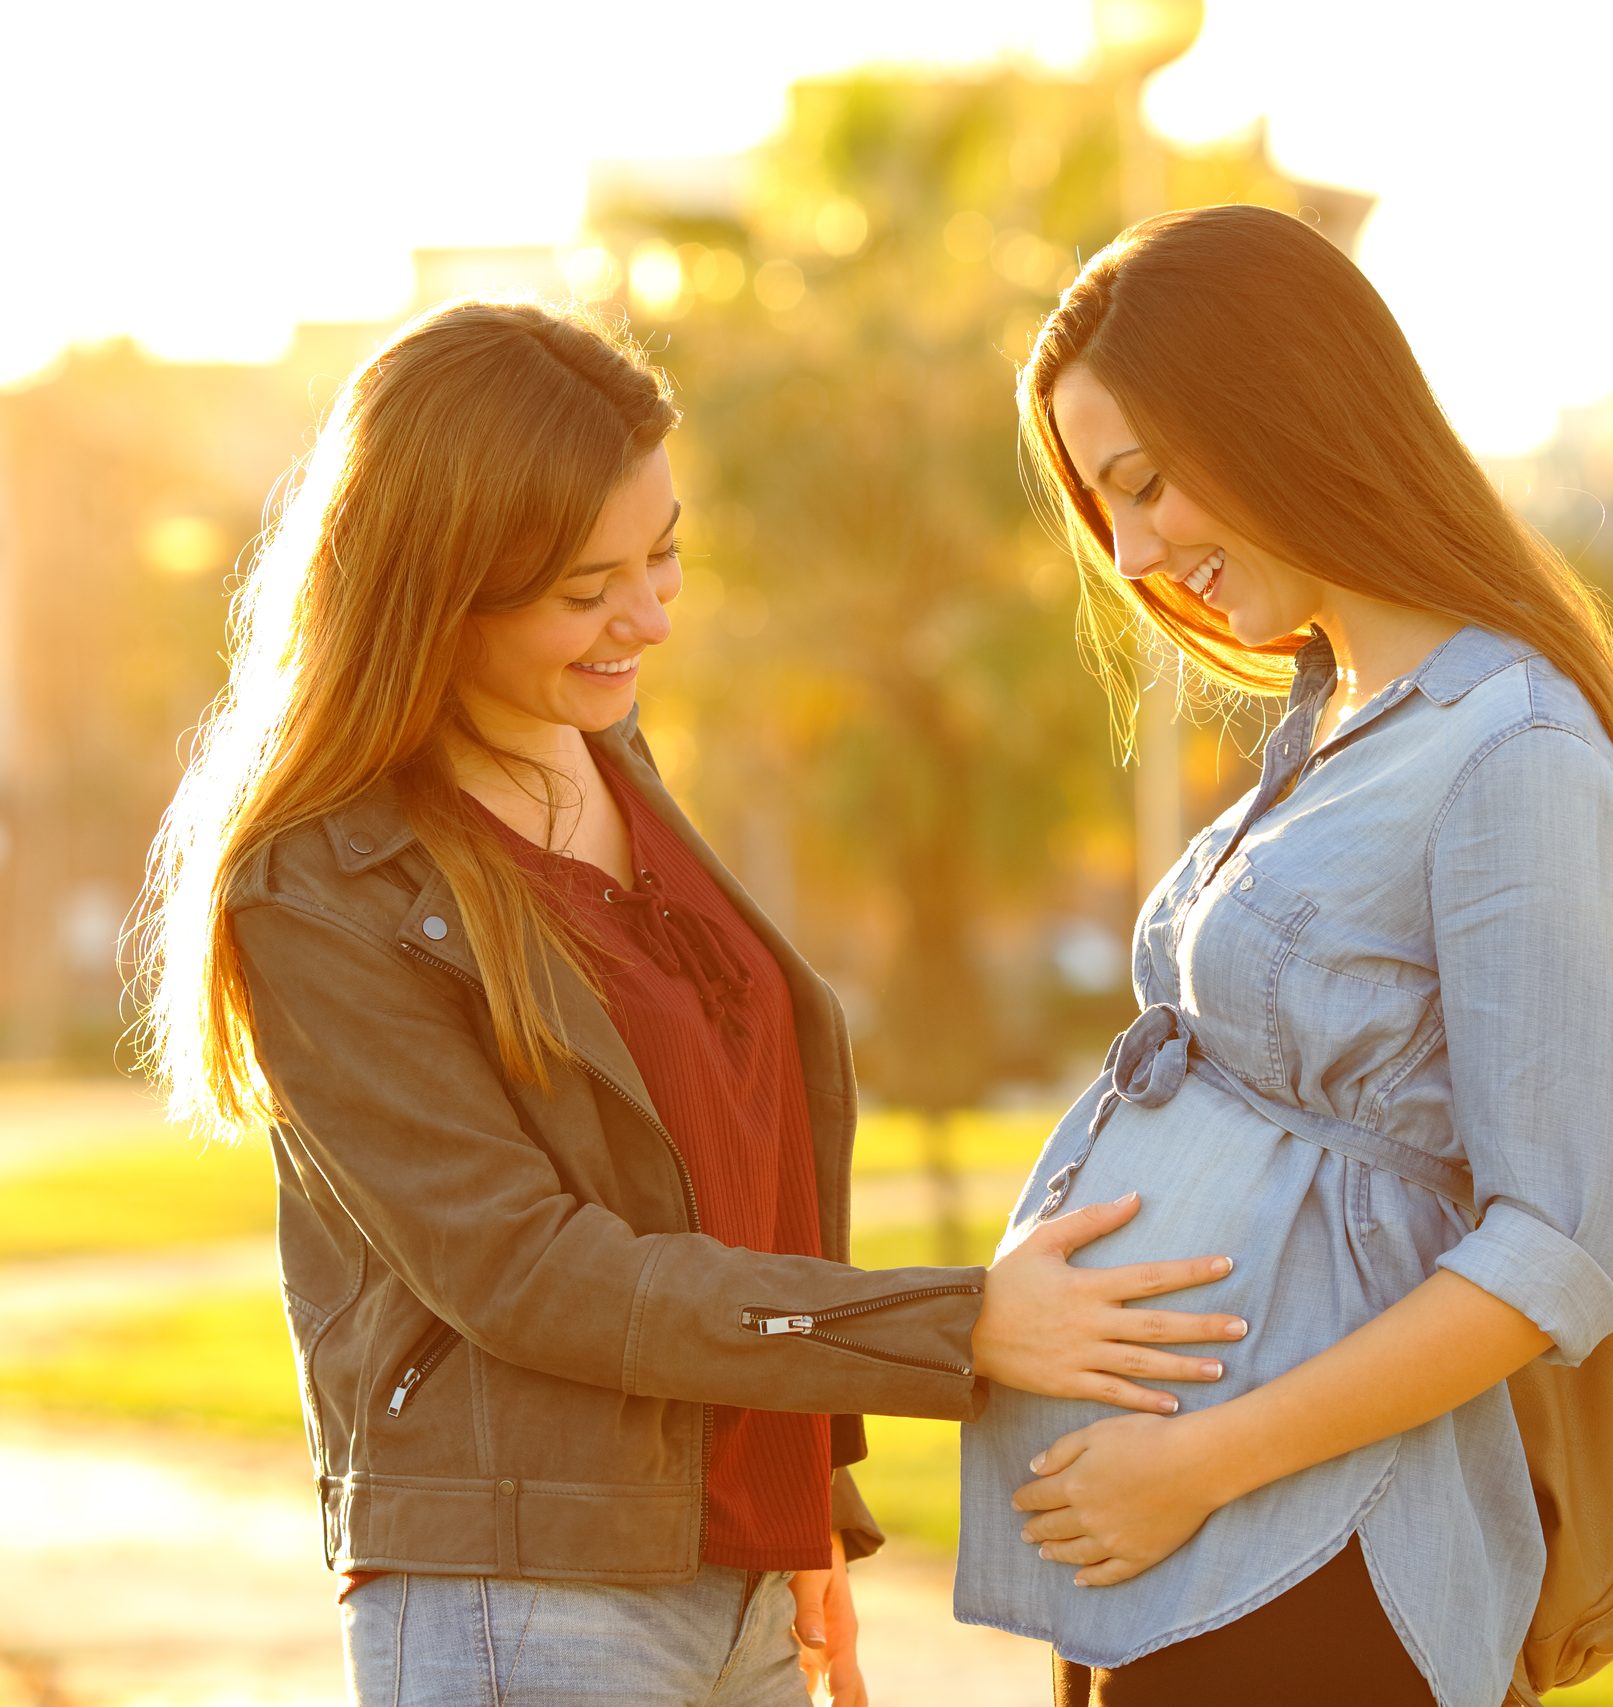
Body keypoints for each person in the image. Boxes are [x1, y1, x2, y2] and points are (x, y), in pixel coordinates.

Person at [130, 299, 1250, 1707]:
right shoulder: (324, 886)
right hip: (524, 1597)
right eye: (585, 589)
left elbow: (735, 1154)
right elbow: (530, 1272)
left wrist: (812, 1513)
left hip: (740, 1581)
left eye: (663, 556)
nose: (649, 617)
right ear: (435, 588)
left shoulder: (602, 745)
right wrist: (949, 1323)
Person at [953, 204, 1613, 1707]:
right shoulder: (1340, 721)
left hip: (1314, 1568)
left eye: (1148, 486)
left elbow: (1550, 1248)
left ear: (1281, 413)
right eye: (1109, 507)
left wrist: (1195, 1465)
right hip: (1183, 1565)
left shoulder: (1513, 754)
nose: (1136, 552)